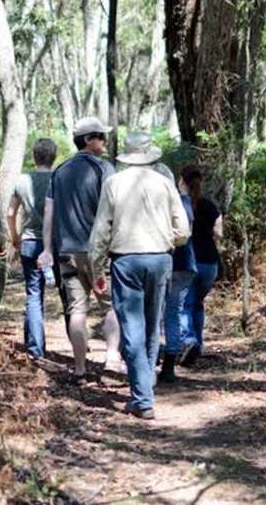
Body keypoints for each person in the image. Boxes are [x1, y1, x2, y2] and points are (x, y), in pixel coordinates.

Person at [89, 133, 190, 419]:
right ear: (150, 154)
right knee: (151, 324)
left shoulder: (113, 183)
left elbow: (100, 232)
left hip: (126, 261)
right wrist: (166, 241)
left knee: (132, 326)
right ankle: (146, 388)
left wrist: (96, 267)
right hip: (160, 259)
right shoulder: (164, 183)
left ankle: (142, 398)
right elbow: (183, 230)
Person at [38, 117, 121, 381]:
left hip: (66, 253)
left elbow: (48, 213)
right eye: (101, 136)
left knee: (77, 310)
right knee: (111, 306)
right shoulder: (104, 169)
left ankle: (80, 369)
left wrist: (47, 249)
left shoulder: (59, 171)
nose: (105, 141)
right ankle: (111, 358)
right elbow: (115, 209)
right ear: (88, 140)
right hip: (98, 254)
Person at [7, 138, 58, 359]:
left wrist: (15, 237)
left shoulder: (22, 180)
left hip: (28, 241)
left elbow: (10, 213)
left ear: (34, 156)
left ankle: (35, 348)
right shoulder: (58, 178)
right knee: (68, 296)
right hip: (55, 245)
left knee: (33, 294)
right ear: (53, 157)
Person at [180, 165, 223, 366]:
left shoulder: (180, 206)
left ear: (182, 181)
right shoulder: (211, 206)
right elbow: (220, 233)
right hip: (210, 262)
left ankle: (189, 341)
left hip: (188, 260)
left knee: (185, 304)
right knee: (197, 303)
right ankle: (198, 343)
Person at [159, 170, 197, 384]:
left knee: (156, 313)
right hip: (185, 264)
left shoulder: (160, 202)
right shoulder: (183, 200)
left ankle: (155, 357)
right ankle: (168, 365)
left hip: (167, 262)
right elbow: (186, 231)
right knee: (173, 312)